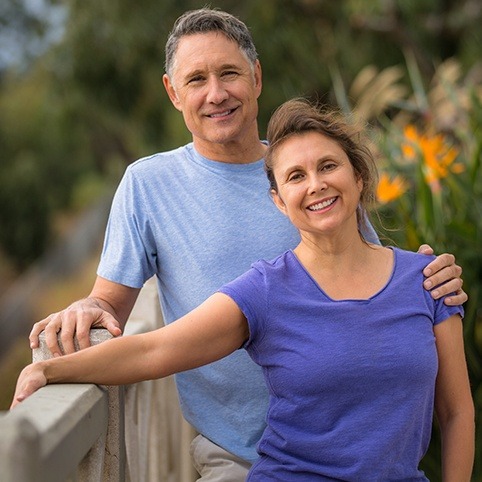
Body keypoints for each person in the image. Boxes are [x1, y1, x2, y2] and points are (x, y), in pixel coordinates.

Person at [26, 8, 467, 481]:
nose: (216, 94)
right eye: (196, 79)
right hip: (238, 456)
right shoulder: (151, 187)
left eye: (229, 73)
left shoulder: (320, 187)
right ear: (173, 92)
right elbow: (136, 332)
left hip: (359, 447)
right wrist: (75, 327)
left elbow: (368, 285)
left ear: (256, 77)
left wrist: (428, 278)